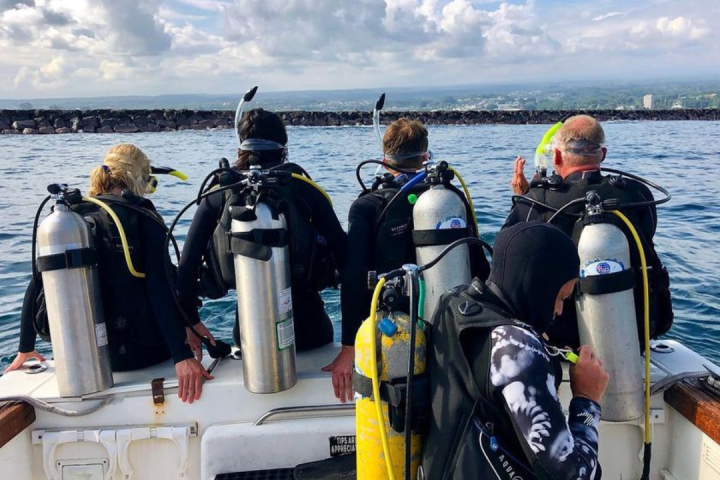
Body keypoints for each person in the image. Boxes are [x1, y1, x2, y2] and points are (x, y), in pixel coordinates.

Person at [5, 144, 213, 404]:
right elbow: (160, 289)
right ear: (139, 178)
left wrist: (25, 346)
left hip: (87, 362)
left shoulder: (72, 219)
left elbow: (38, 283)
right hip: (145, 355)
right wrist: (182, 356)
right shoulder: (141, 215)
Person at [421, 221, 609, 480]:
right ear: (538, 286)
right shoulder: (517, 348)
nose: (558, 311)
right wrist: (588, 399)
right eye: (560, 297)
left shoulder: (454, 304)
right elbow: (574, 475)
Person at [176, 108, 347, 383]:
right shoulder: (303, 189)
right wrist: (350, 345)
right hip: (313, 333)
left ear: (241, 144)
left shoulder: (219, 194)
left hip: (248, 340)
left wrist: (191, 324)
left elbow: (185, 270)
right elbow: (347, 260)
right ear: (284, 147)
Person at [335, 118, 491, 403]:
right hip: (449, 329)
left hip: (393, 331)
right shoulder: (450, 198)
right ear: (425, 157)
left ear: (384, 161)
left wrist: (348, 348)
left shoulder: (367, 206)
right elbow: (479, 265)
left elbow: (354, 278)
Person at [505, 115, 673, 349]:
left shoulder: (537, 200)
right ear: (603, 155)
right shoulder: (637, 194)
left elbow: (506, 254)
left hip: (564, 339)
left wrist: (523, 199)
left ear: (556, 156)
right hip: (636, 329)